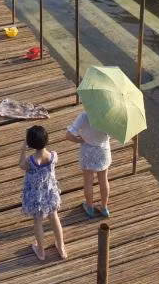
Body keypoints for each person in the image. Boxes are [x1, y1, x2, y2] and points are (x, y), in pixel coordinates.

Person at [19, 125, 66, 261]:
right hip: (51, 194)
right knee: (54, 217)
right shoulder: (53, 156)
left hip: (37, 197)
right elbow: (53, 160)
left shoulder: (31, 162)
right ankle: (61, 247)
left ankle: (41, 251)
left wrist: (23, 148)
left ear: (30, 143)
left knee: (38, 222)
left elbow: (21, 164)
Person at [67, 110, 112, 218]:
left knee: (88, 181)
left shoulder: (84, 115)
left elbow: (68, 135)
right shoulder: (109, 115)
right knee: (103, 180)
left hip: (88, 151)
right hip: (103, 151)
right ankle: (104, 207)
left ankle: (90, 207)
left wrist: (80, 140)